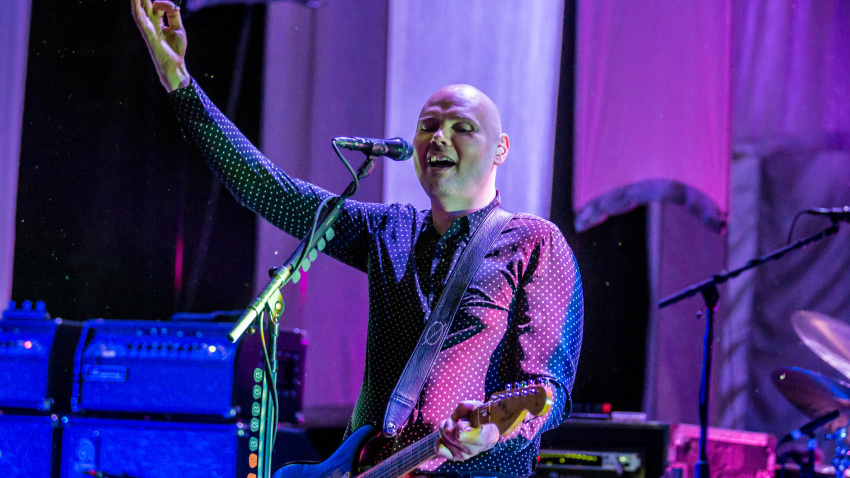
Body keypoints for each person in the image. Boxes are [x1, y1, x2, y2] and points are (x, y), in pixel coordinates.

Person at [131, 1, 584, 476]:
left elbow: (546, 389)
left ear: (501, 149)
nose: (440, 138)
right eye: (428, 126)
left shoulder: (533, 243)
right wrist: (179, 81)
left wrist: (494, 430)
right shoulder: (390, 231)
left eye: (462, 128)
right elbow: (268, 189)